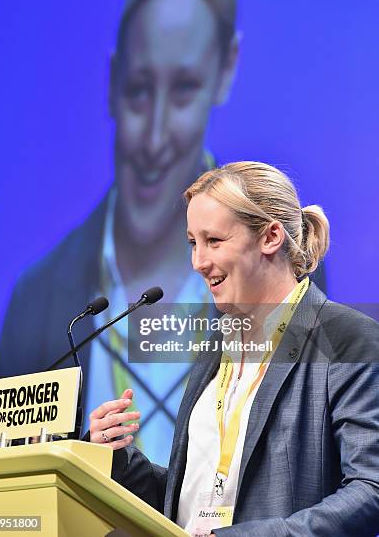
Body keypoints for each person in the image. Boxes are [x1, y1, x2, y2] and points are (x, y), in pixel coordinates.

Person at [0, 0, 242, 463]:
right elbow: (2, 487)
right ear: (111, 80)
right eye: (139, 90)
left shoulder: (276, 270)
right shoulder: (40, 297)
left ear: (226, 71)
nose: (152, 138)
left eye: (185, 90)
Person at [89, 161, 379, 536]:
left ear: (271, 237)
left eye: (214, 241)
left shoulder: (346, 337)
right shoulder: (218, 348)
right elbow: (196, 503)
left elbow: (371, 489)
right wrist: (117, 460)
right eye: (193, 243)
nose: (198, 262)